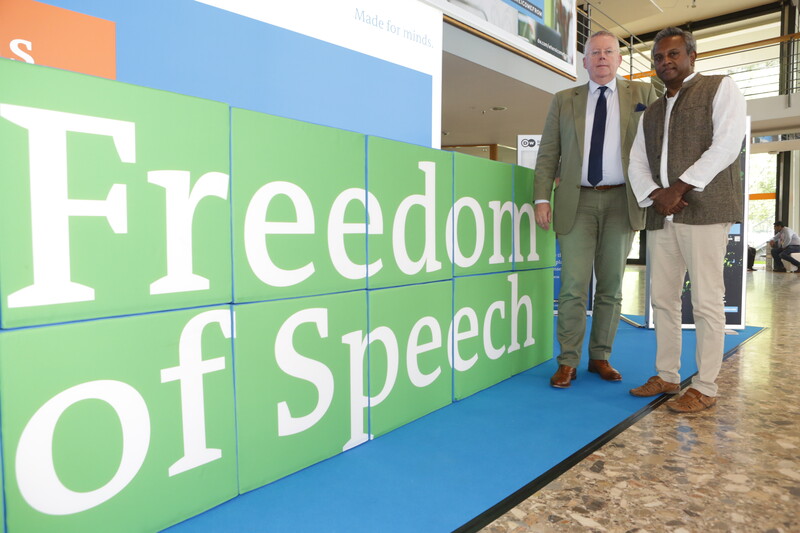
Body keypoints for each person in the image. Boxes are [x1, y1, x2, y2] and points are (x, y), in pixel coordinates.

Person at [627, 27, 746, 413]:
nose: (666, 62)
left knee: (707, 301)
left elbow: (726, 144)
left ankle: (707, 386)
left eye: (673, 54)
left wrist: (678, 188)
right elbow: (637, 162)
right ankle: (667, 375)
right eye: (659, 58)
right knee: (662, 299)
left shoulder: (718, 87)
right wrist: (655, 196)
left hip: (705, 209)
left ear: (692, 56)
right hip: (663, 215)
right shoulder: (653, 110)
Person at [534, 31, 658, 388]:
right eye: (594, 52)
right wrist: (543, 197)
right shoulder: (563, 100)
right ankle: (567, 361)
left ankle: (600, 357)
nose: (602, 57)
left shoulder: (644, 94)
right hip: (577, 201)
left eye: (609, 52)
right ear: (584, 61)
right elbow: (548, 153)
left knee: (611, 286)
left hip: (623, 200)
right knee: (572, 286)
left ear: (619, 59)